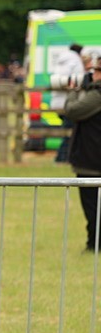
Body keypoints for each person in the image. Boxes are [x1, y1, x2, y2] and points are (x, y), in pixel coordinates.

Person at [63, 59, 101, 251]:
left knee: (92, 205)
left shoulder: (97, 95)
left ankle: (94, 243)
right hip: (94, 158)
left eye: (95, 70)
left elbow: (73, 111)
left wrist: (73, 92)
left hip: (92, 160)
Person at [55, 45, 87, 163]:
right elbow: (77, 81)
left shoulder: (61, 61)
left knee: (69, 131)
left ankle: (63, 157)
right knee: (70, 132)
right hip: (68, 102)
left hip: (58, 101)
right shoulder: (75, 62)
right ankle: (62, 158)